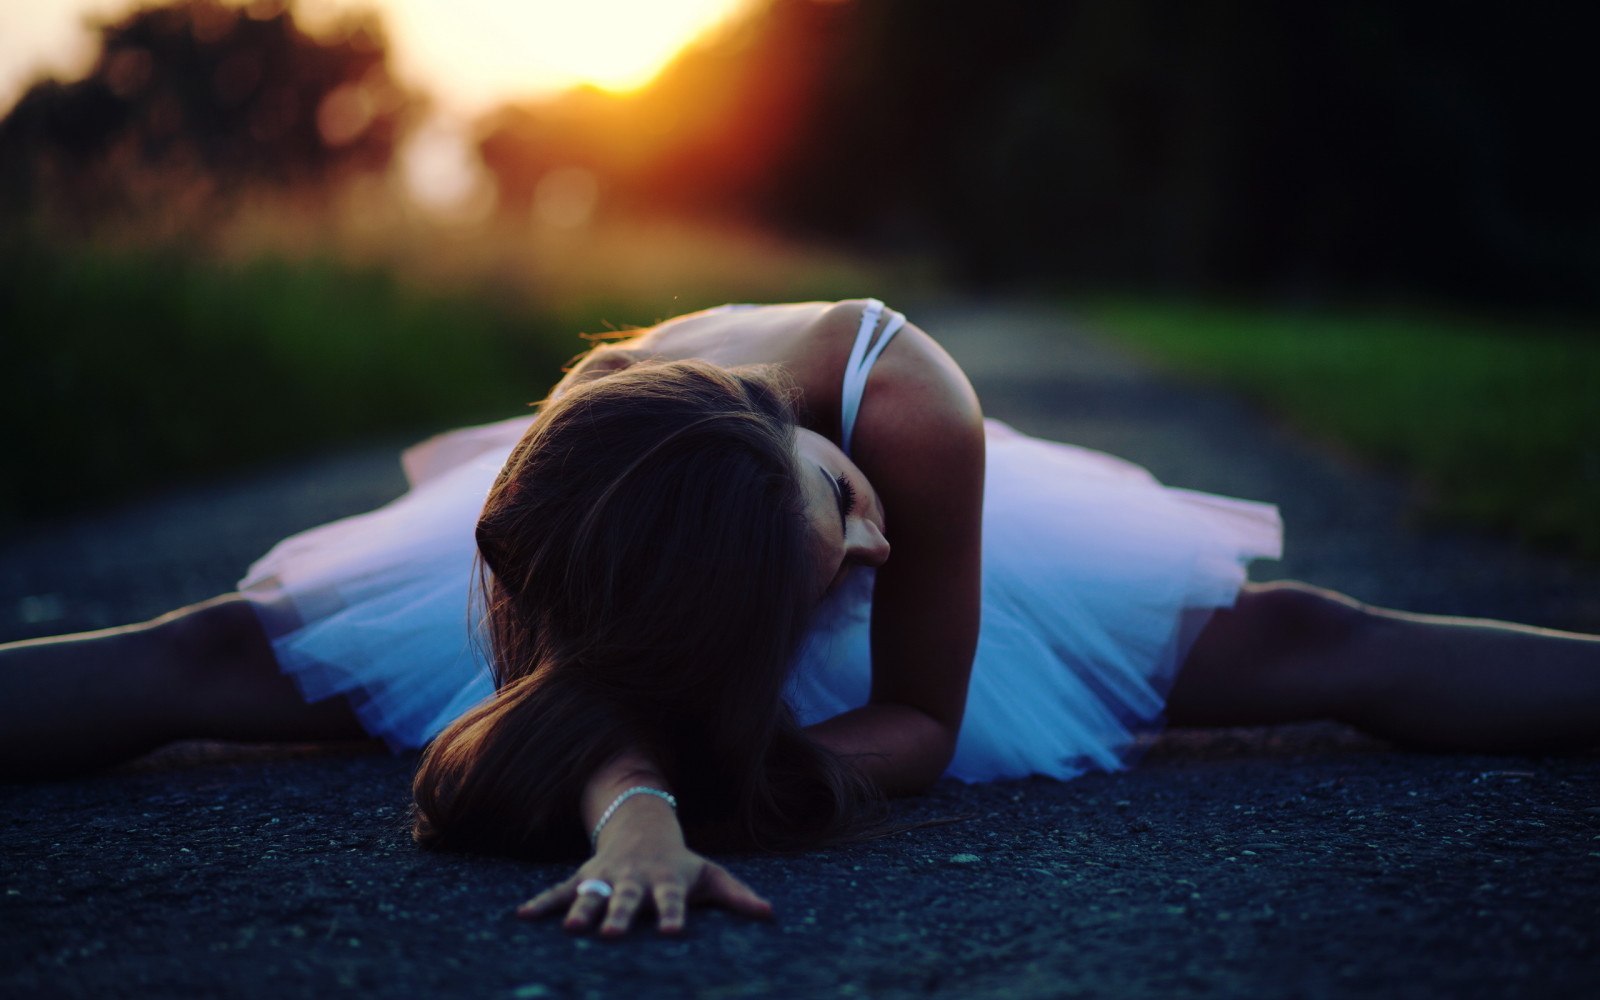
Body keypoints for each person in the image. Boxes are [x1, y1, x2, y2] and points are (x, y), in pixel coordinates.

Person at [2, 299, 1596, 939]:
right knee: (216, 653)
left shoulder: (909, 425)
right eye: (845, 546)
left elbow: (918, 715)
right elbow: (577, 685)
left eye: (838, 506)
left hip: (828, 506)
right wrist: (626, 807)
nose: (878, 541)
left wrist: (712, 786)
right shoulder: (588, 487)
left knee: (1304, 638)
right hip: (660, 532)